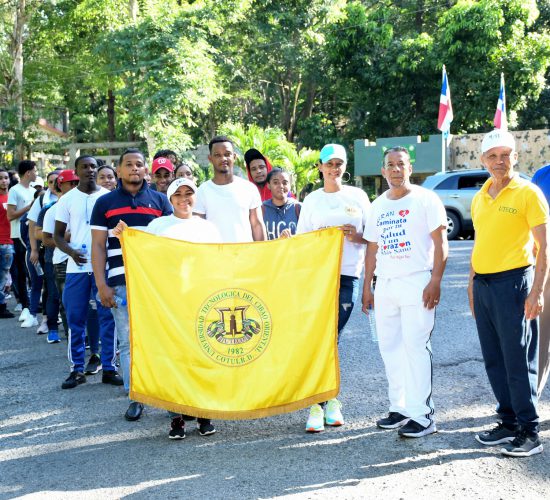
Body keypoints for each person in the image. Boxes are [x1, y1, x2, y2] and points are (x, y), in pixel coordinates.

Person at [113, 177, 221, 438]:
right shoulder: (158, 226)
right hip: (167, 303)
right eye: (178, 194)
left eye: (188, 193)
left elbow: (221, 261)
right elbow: (143, 255)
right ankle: (176, 418)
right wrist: (125, 238)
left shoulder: (208, 228)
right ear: (170, 199)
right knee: (173, 359)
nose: (184, 199)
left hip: (201, 301)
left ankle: (204, 415)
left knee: (202, 358)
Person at [469, 129, 548, 457]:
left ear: (515, 157)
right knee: (494, 359)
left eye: (505, 155)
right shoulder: (480, 197)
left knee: (518, 360)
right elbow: (480, 242)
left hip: (514, 284)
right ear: (483, 160)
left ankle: (530, 431)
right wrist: (471, 285)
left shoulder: (528, 193)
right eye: (493, 156)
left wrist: (537, 291)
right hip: (484, 285)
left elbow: (545, 246)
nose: (499, 161)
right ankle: (509, 422)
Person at [362, 146, 448, 438]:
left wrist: (435, 280)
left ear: (410, 168)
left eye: (401, 164)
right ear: (383, 171)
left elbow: (441, 243)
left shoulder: (426, 199)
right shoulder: (378, 205)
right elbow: (372, 249)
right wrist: (368, 286)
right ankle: (399, 408)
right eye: (390, 165)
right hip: (385, 284)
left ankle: (422, 415)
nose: (396, 169)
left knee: (415, 346)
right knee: (390, 348)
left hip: (416, 282)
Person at [91, 148, 172, 421]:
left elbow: (170, 243)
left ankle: (170, 397)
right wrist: (101, 284)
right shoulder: (104, 203)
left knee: (162, 340)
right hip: (121, 282)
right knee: (128, 342)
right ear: (119, 169)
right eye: (129, 164)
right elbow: (98, 246)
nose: (134, 168)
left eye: (139, 164)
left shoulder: (161, 201)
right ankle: (136, 397)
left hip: (156, 284)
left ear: (146, 170)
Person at [297, 143, 370, 432]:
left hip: (347, 276)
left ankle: (325, 401)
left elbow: (373, 238)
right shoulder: (312, 200)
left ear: (345, 166)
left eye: (338, 163)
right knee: (322, 340)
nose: (334, 168)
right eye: (329, 163)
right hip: (318, 277)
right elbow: (302, 241)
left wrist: (357, 236)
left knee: (331, 338)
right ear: (320, 167)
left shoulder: (358, 196)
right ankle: (322, 404)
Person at [54, 156, 122, 390]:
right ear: (76, 171)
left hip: (103, 268)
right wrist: (71, 252)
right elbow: (57, 236)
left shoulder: (108, 197)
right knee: (75, 318)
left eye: (93, 166)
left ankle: (109, 368)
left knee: (108, 317)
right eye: (84, 166)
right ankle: (76, 370)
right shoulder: (67, 199)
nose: (90, 170)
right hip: (77, 268)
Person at [194, 136, 266, 243]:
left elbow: (257, 225)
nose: (223, 159)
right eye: (217, 155)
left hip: (245, 252)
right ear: (210, 158)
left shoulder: (249, 189)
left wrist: (263, 251)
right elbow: (198, 229)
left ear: (234, 157)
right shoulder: (202, 191)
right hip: (215, 252)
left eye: (227, 154)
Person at [35, 170, 79, 343]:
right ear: (60, 186)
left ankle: (86, 338)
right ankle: (60, 332)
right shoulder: (51, 210)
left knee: (85, 302)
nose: (75, 186)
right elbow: (43, 237)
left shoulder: (86, 205)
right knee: (59, 298)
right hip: (59, 260)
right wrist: (65, 238)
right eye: (71, 183)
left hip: (84, 260)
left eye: (77, 183)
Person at [26, 170, 61, 331]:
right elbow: (33, 227)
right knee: (49, 286)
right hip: (46, 249)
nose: (55, 184)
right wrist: (33, 249)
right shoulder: (43, 201)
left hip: (68, 251)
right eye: (51, 181)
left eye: (58, 181)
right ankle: (47, 320)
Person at [7, 160, 37, 321]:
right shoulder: (14, 190)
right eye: (35, 170)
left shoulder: (34, 190)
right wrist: (29, 207)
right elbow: (10, 215)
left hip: (31, 235)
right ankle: (25, 304)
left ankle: (34, 303)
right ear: (28, 173)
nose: (36, 173)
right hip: (18, 235)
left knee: (33, 271)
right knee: (21, 272)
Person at [262, 168, 300, 240]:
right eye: (276, 183)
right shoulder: (261, 210)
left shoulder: (298, 208)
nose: (281, 186)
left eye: (285, 183)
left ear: (290, 185)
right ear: (268, 185)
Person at [0, 168, 15, 318]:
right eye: (0, 178)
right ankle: (1, 305)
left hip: (13, 240)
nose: (4, 181)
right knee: (3, 275)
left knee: (7, 275)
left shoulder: (12, 197)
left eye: (6, 178)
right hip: (2, 241)